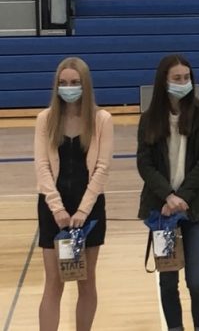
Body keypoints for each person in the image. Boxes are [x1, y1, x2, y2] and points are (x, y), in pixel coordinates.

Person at [136, 54, 199, 331]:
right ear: (164, 81)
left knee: (196, 280)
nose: (183, 83)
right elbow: (145, 163)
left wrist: (183, 197)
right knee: (168, 280)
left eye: (186, 78)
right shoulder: (149, 119)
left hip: (196, 207)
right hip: (162, 211)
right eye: (177, 78)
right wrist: (167, 195)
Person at [34, 57, 114, 331]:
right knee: (54, 282)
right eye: (63, 83)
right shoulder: (45, 119)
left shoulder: (102, 120)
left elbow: (102, 168)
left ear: (85, 85)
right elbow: (42, 167)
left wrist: (82, 211)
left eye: (75, 83)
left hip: (88, 210)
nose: (69, 88)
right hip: (53, 210)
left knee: (86, 280)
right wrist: (57, 209)